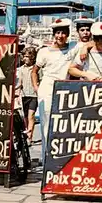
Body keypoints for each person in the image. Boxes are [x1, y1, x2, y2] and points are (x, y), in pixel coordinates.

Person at [31, 18, 80, 156]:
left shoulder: (73, 47)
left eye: (63, 33)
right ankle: (46, 157)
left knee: (64, 126)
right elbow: (34, 71)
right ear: (54, 34)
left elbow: (88, 43)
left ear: (68, 34)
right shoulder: (44, 52)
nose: (60, 36)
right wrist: (36, 87)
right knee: (46, 125)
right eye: (57, 32)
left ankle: (59, 157)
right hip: (47, 90)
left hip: (65, 91)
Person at [15, 47, 38, 145]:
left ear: (32, 57)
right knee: (24, 117)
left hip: (34, 95)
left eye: (27, 57)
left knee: (31, 116)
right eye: (24, 56)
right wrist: (17, 94)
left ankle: (30, 137)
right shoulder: (20, 69)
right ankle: (26, 132)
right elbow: (19, 83)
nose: (25, 58)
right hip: (24, 95)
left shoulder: (36, 69)